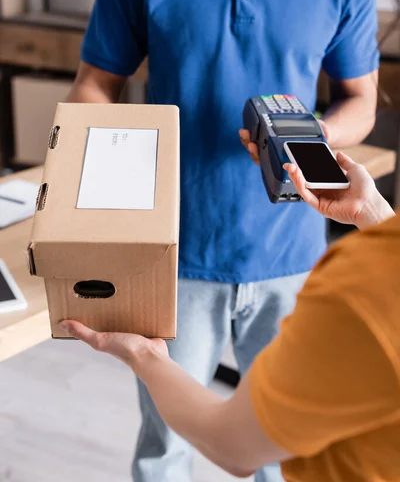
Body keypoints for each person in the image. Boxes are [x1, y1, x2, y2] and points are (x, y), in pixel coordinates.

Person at [67, 0, 379, 478]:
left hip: (293, 250)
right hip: (175, 252)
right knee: (166, 444)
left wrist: (308, 135)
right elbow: (95, 82)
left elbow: (360, 101)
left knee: (284, 453)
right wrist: (80, 187)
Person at [61, 152, 399, 482]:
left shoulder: (366, 289)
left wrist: (145, 355)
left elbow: (232, 446)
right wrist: (374, 215)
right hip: (190, 252)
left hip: (283, 253)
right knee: (167, 444)